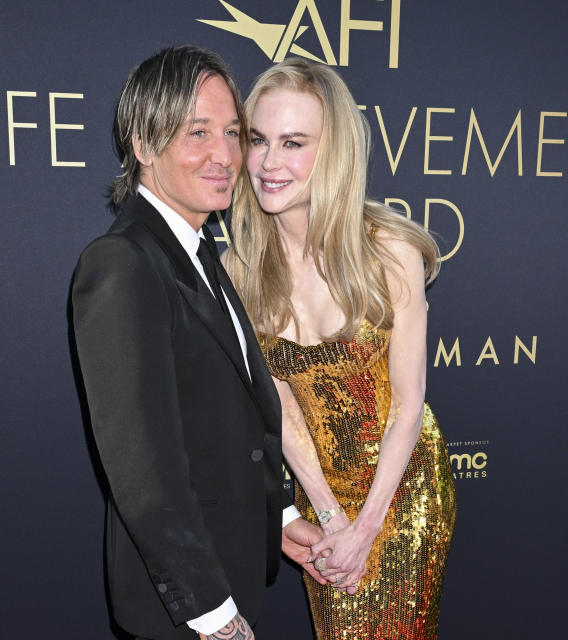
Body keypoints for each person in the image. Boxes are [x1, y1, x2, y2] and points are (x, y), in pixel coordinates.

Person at [71, 46, 325, 640]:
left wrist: (279, 516)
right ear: (142, 143)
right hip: (184, 611)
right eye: (198, 132)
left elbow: (226, 422)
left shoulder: (199, 252)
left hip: (229, 574)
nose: (226, 156)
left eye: (233, 133)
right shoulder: (123, 263)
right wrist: (212, 615)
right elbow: (143, 468)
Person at [222, 59, 457, 639]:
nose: (270, 164)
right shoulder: (239, 270)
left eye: (294, 143)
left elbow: (408, 403)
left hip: (403, 489)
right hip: (321, 496)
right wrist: (329, 514)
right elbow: (281, 409)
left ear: (333, 153)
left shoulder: (389, 252)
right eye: (259, 140)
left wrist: (366, 526)